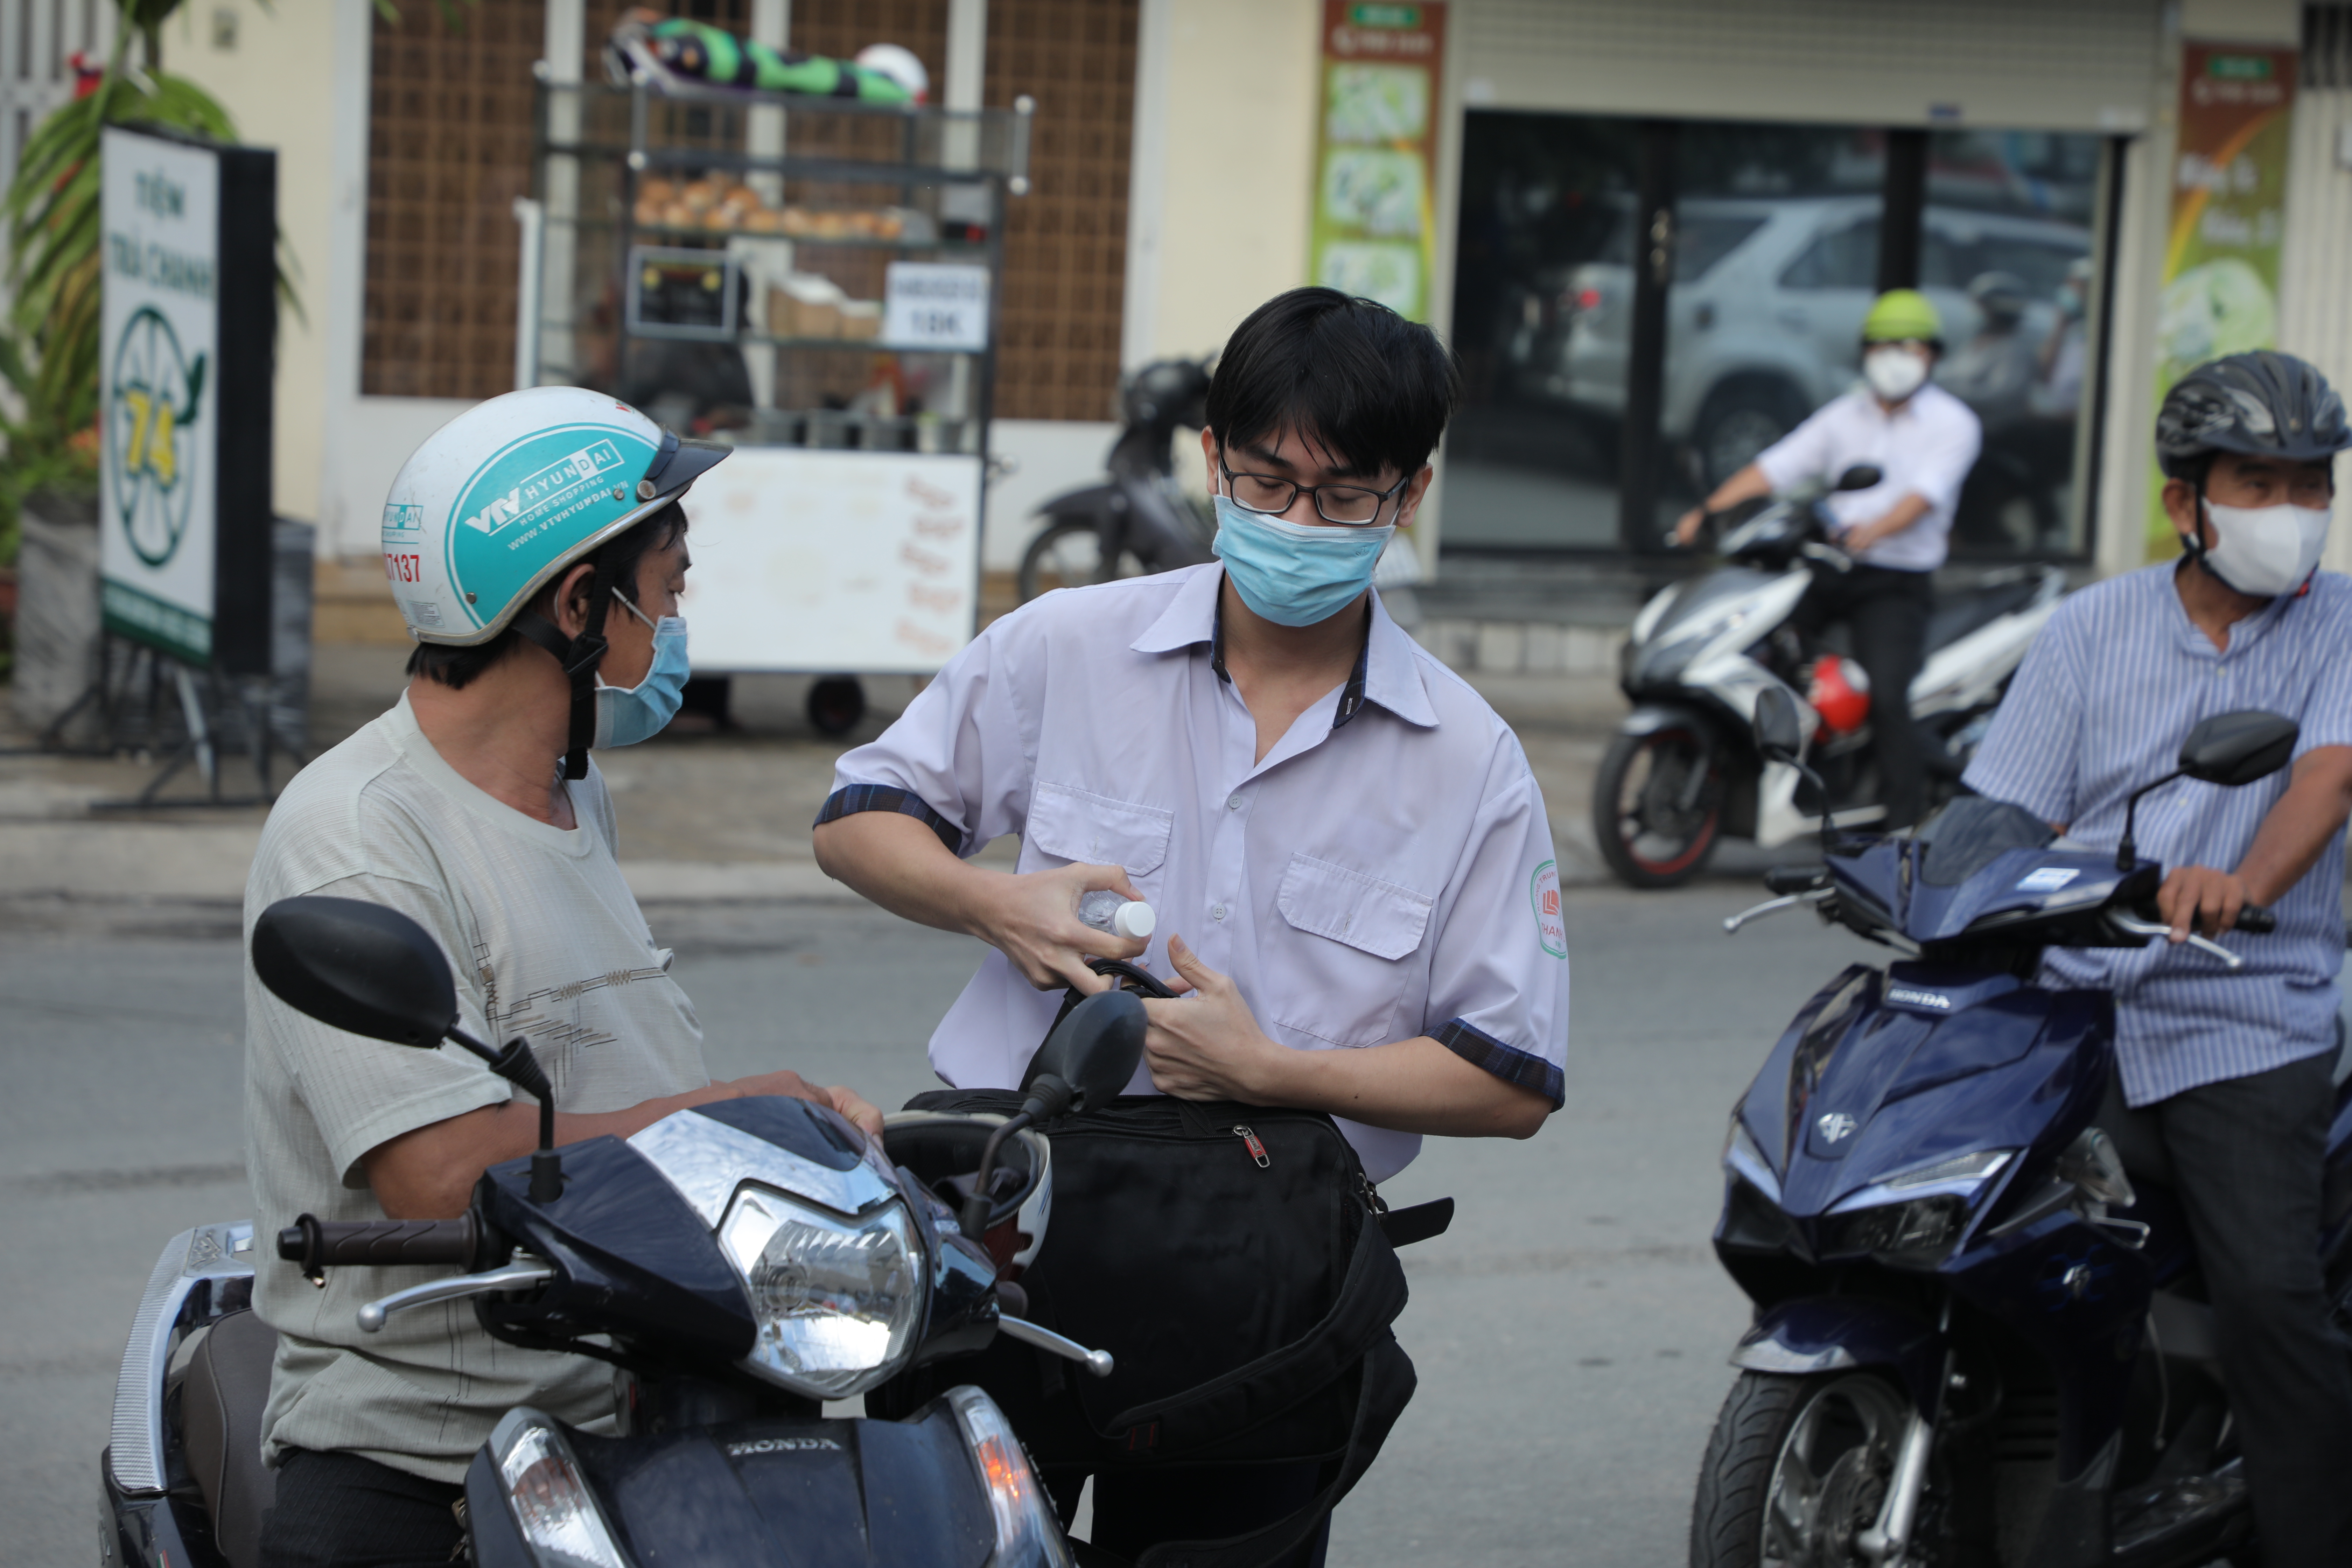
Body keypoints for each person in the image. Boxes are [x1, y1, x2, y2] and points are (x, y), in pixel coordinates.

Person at [810, 287, 1566, 1559]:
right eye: (1268, 483)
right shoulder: (1068, 646)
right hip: (1014, 1218)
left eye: (1345, 499)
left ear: (1409, 496)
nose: (1297, 523)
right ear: (1211, 460)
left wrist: (1276, 1071)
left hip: (1267, 1277)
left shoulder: (1468, 762)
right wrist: (995, 902)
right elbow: (858, 818)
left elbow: (1511, 1078)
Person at [245, 387, 883, 1568]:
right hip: (430, 1444)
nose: (680, 628)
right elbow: (438, 1173)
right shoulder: (356, 833)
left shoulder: (564, 785)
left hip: (637, 1396)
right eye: (668, 591)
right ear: (582, 604)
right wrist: (737, 1117)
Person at [1963, 350, 2352, 1567]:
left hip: (2246, 1019)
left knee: (2272, 1302)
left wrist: (2244, 885)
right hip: (2076, 1008)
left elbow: (2329, 773)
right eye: (2258, 481)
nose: (2288, 510)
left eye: (2309, 483)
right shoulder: (2088, 630)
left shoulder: (2342, 624)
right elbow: (1998, 814)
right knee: (1989, 1248)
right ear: (2186, 500)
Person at [1675, 288, 1983, 828]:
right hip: (1828, 565)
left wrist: (1877, 529)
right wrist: (1708, 513)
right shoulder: (1844, 415)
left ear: (1932, 355)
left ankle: (1902, 830)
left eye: (1909, 347)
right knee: (1754, 651)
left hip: (1897, 579)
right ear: (1866, 352)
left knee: (1888, 696)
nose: (1895, 358)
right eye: (1885, 346)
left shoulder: (1954, 423)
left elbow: (1924, 496)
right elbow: (1776, 468)